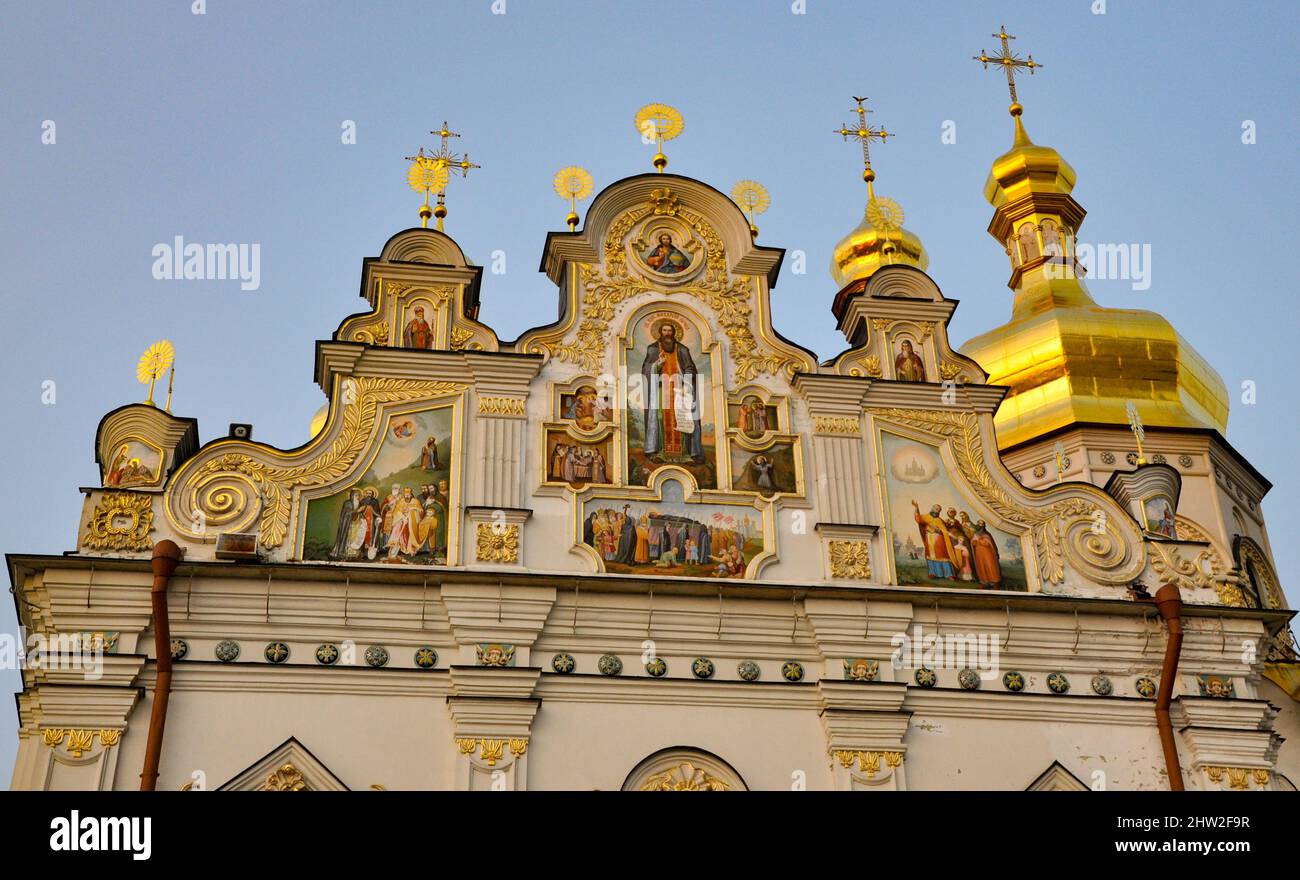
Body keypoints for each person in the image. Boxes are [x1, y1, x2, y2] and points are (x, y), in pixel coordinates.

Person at [640, 320, 703, 462]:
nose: (667, 333)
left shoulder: (682, 349)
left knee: (683, 418)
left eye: (670, 331)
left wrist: (686, 383)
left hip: (680, 389)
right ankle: (661, 452)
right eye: (665, 330)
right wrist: (657, 365)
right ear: (660, 332)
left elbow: (690, 368)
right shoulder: (652, 349)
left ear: (674, 333)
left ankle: (686, 454)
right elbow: (646, 369)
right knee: (661, 418)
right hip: (662, 389)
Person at [912, 500, 958, 580]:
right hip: (929, 539)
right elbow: (918, 519)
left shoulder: (939, 520)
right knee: (931, 556)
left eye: (939, 510)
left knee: (943, 555)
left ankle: (949, 574)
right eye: (936, 508)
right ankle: (933, 573)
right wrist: (916, 507)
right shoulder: (925, 517)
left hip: (940, 540)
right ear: (932, 508)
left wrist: (945, 526)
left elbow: (944, 529)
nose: (937, 510)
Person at [971, 521, 1002, 588]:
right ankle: (984, 582)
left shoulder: (987, 535)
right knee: (981, 567)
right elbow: (973, 543)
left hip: (988, 554)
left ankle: (994, 582)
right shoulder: (976, 534)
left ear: (983, 526)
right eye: (978, 523)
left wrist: (978, 539)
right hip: (979, 554)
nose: (979, 525)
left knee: (990, 566)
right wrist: (974, 540)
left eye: (981, 524)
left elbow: (987, 543)